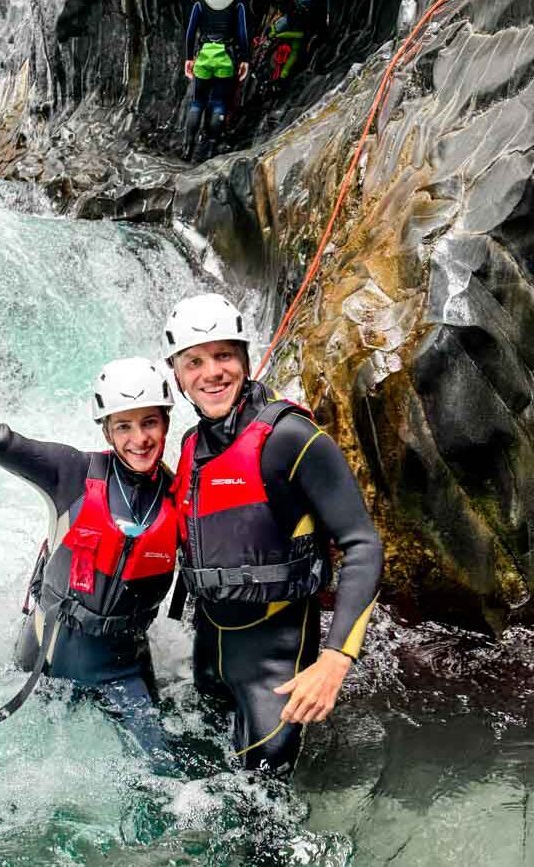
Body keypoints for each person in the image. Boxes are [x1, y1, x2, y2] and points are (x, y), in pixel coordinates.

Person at [0, 283, 179, 768]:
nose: (139, 439)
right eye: (123, 426)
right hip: (44, 663)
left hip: (123, 670)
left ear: (166, 423)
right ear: (106, 430)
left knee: (164, 777)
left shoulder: (181, 496)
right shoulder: (70, 473)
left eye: (149, 422)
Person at [162, 293, 382, 776]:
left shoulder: (290, 437)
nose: (211, 372)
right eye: (194, 362)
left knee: (261, 815)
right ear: (177, 375)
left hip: (275, 670)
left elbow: (363, 544)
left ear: (244, 358)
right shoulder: (191, 444)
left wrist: (334, 662)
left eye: (224, 356)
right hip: (210, 655)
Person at [183, 0, 251, 161]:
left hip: (204, 56)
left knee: (198, 102)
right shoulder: (237, 4)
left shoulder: (200, 4)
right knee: (219, 102)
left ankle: (188, 148)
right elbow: (243, 34)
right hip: (225, 57)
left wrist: (188, 58)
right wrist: (245, 59)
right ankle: (212, 149)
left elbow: (190, 32)